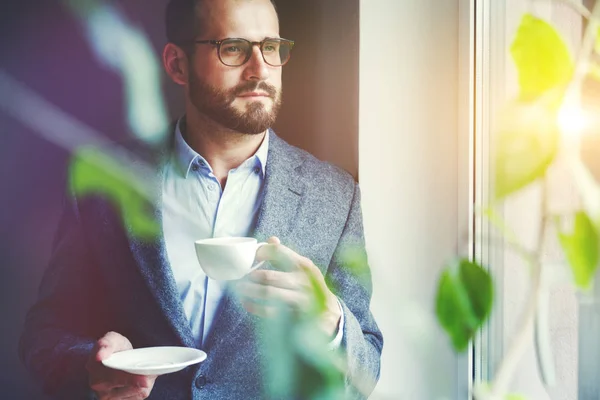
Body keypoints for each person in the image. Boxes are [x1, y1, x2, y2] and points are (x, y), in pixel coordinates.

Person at [19, 0, 383, 398]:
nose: (260, 70)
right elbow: (45, 336)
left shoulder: (335, 195)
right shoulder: (106, 182)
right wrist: (92, 362)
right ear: (177, 64)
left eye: (271, 47)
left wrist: (331, 322)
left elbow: (367, 366)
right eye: (233, 48)